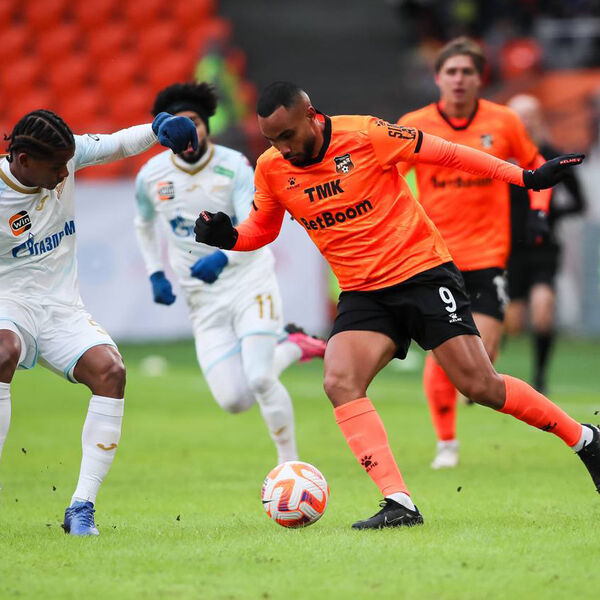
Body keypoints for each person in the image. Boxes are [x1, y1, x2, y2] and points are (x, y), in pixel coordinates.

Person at [194, 81, 599, 530]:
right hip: (363, 292)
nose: (282, 148)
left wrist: (525, 178)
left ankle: (586, 439)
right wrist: (228, 237)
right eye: (272, 140)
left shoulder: (366, 134)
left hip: (421, 273)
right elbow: (262, 229)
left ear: (310, 114)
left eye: (288, 135)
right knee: (340, 381)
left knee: (480, 385)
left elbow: (449, 153)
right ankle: (399, 502)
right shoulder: (272, 168)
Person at [0, 109, 197, 535]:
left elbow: (119, 143)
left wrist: (159, 127)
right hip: (7, 304)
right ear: (23, 159)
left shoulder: (65, 156)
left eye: (66, 165)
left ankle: (81, 507)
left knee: (111, 371)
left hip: (61, 309)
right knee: (2, 351)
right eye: (56, 168)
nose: (63, 175)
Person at [134, 82, 325, 466]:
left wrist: (223, 258)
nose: (187, 131)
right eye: (178, 124)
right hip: (202, 298)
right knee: (234, 400)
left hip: (247, 281)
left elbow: (254, 224)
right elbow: (144, 223)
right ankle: (292, 345)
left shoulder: (234, 166)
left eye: (193, 121)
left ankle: (289, 467)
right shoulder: (151, 175)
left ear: (206, 124)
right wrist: (155, 272)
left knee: (259, 378)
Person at [397, 37, 553, 469]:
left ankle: (471, 383)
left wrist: (539, 211)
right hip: (434, 258)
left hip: (487, 256)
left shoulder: (503, 121)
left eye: (467, 71)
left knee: (483, 356)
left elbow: (536, 164)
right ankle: (446, 443)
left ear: (480, 78)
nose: (459, 79)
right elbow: (390, 175)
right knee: (445, 351)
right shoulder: (414, 124)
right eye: (452, 71)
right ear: (438, 77)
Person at [504, 94, 586, 394]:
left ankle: (540, 377)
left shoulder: (552, 156)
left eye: (529, 115)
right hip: (508, 248)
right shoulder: (500, 157)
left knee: (542, 309)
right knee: (513, 322)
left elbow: (578, 202)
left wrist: (550, 216)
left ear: (539, 118)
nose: (524, 122)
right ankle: (483, 370)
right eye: (518, 116)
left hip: (542, 247)